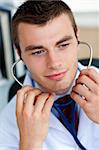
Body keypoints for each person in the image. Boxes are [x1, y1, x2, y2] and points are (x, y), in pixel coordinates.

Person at [0, 0, 99, 150]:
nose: (54, 63)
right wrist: (29, 144)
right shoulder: (7, 122)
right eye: (38, 52)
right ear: (19, 53)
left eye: (63, 45)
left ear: (77, 37)